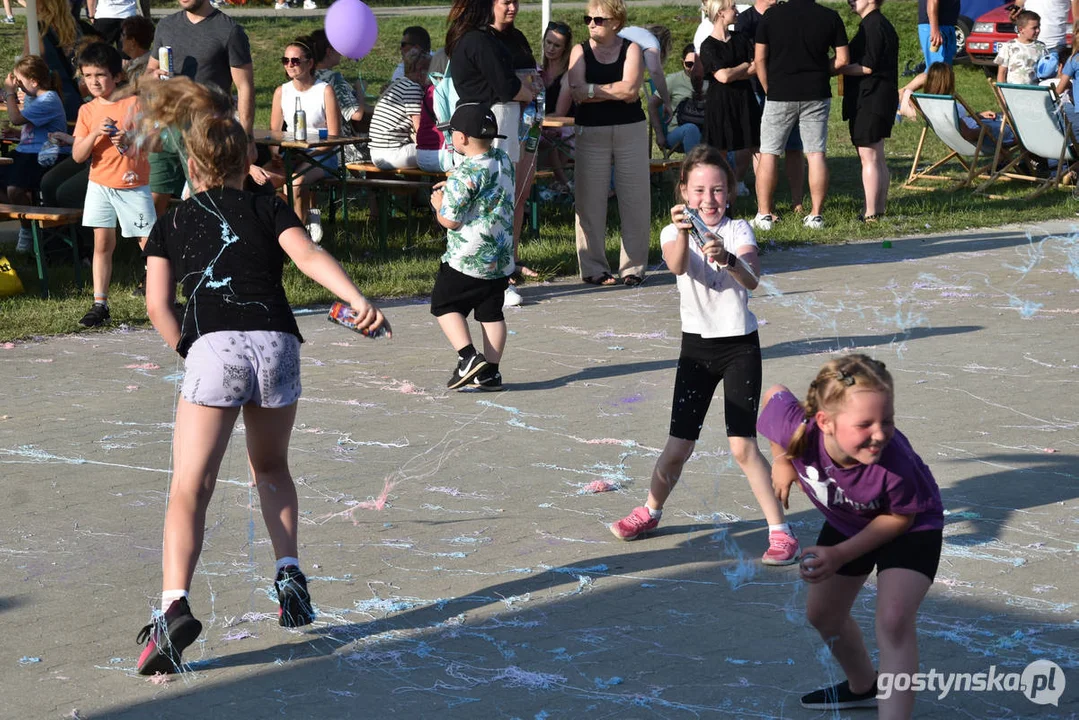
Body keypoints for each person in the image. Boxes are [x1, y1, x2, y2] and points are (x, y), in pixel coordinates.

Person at [134, 76, 388, 675]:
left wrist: (187, 350)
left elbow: (157, 305)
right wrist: (356, 299)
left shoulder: (172, 221)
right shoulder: (267, 204)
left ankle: (173, 607)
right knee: (271, 467)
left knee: (189, 487)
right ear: (248, 156)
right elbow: (307, 256)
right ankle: (289, 572)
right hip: (277, 342)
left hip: (215, 349)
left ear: (191, 163)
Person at [609, 146, 799, 566]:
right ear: (683, 193)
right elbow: (676, 266)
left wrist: (726, 257)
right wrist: (683, 232)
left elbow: (751, 280)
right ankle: (651, 510)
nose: (708, 199)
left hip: (738, 348)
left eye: (716, 190)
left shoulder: (739, 230)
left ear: (729, 194)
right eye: (698, 191)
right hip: (695, 349)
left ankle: (781, 532)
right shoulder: (670, 232)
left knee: (742, 447)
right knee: (678, 446)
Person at [757, 354, 943, 715]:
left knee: (893, 619)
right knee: (823, 614)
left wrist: (840, 554)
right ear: (825, 421)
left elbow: (899, 518)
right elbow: (774, 394)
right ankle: (863, 686)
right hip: (849, 520)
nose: (879, 434)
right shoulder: (801, 429)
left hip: (911, 526)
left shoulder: (895, 462)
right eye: (865, 424)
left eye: (886, 420)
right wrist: (781, 459)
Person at [445, 0, 536, 305]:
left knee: (493, 201)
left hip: (491, 120)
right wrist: (528, 88)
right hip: (492, 122)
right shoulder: (480, 41)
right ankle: (498, 279)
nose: (510, 7)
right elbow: (508, 86)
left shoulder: (472, 39)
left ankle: (492, 275)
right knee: (494, 200)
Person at [146, 0, 261, 218]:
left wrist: (246, 138)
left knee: (206, 197)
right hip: (165, 125)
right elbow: (150, 71)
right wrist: (152, 76)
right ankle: (157, 250)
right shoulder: (166, 25)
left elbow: (245, 86)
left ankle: (214, 247)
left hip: (206, 129)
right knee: (153, 199)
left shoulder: (229, 30)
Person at [429, 103, 515, 392]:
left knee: (444, 304)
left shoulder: (463, 173)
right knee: (491, 313)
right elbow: (483, 180)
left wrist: (439, 205)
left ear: (462, 138)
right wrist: (455, 183)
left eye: (452, 133)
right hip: (499, 257)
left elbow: (450, 222)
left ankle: (467, 357)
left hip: (467, 257)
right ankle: (491, 372)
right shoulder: (503, 159)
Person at [71, 42, 155, 328]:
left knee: (149, 243)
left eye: (100, 75)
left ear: (117, 76)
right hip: (99, 184)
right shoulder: (87, 111)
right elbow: (78, 155)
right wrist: (96, 132)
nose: (94, 81)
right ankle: (100, 303)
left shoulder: (134, 104)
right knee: (102, 243)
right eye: (88, 75)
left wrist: (130, 141)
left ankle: (163, 296)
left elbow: (153, 142)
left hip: (132, 185)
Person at [568, 0, 650, 287]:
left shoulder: (632, 49)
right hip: (590, 132)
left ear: (616, 22)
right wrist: (607, 91)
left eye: (598, 19)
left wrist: (593, 90)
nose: (591, 23)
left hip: (631, 130)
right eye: (588, 18)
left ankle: (633, 268)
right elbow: (576, 91)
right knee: (589, 202)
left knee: (635, 200)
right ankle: (593, 268)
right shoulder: (579, 50)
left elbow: (631, 90)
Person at [751, 0, 848, 230]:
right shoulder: (830, 16)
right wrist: (820, 71)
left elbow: (759, 59)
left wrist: (767, 87)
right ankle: (815, 215)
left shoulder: (770, 17)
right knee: (815, 153)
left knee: (769, 152)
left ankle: (764, 214)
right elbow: (843, 59)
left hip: (779, 92)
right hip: (816, 92)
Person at [268, 36, 341, 240]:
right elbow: (275, 132)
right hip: (291, 153)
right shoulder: (281, 92)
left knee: (297, 183)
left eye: (295, 61)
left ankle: (299, 240)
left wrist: (309, 153)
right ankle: (282, 229)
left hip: (321, 155)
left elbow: (335, 136)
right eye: (286, 60)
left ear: (310, 63)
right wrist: (275, 153)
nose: (290, 65)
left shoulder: (324, 90)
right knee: (261, 181)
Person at [735, 0, 805, 208]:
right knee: (761, 148)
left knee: (794, 146)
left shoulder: (786, 15)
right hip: (757, 90)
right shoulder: (746, 21)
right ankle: (765, 204)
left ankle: (797, 201)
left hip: (789, 90)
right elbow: (748, 58)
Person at [0, 56, 71, 254]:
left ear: (34, 81)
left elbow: (15, 118)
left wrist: (10, 93)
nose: (19, 86)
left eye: (20, 82)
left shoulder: (49, 98)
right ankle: (26, 220)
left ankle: (28, 229)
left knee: (15, 189)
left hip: (47, 154)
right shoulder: (35, 98)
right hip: (27, 151)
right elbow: (29, 126)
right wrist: (17, 134)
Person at [839, 0, 898, 223]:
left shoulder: (873, 26)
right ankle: (878, 209)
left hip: (872, 97)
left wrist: (836, 68)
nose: (851, 1)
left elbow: (868, 65)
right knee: (877, 156)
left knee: (869, 157)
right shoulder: (877, 23)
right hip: (879, 96)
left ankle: (871, 212)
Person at [700, 0, 760, 192]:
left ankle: (761, 196)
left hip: (744, 98)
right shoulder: (708, 46)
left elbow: (756, 66)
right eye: (732, 7)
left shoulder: (741, 38)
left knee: (755, 145)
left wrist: (737, 70)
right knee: (720, 149)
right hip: (721, 103)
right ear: (720, 13)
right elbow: (723, 77)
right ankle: (722, 191)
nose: (736, 11)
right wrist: (743, 66)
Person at [310, 29, 366, 164]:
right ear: (329, 51)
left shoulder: (307, 77)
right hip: (340, 148)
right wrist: (360, 90)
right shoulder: (333, 78)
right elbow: (357, 114)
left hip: (312, 143)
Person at [897, 0, 960, 119]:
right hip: (936, 26)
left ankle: (903, 93)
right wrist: (934, 29)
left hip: (946, 25)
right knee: (937, 71)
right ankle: (937, 110)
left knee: (942, 71)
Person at [368, 48, 428, 170]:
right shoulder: (412, 88)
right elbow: (420, 129)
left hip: (378, 152)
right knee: (435, 153)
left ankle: (410, 189)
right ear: (421, 71)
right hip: (391, 153)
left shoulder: (398, 84)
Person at [648, 43, 705, 156]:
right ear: (682, 63)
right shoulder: (673, 80)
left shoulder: (711, 81)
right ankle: (694, 169)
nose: (693, 68)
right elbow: (652, 105)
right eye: (689, 64)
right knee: (691, 129)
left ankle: (730, 172)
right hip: (678, 131)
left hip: (706, 130)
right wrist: (659, 134)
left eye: (698, 64)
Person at [539, 20, 575, 191]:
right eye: (548, 42)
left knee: (552, 138)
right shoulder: (539, 70)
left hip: (567, 127)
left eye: (557, 45)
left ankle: (562, 183)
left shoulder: (568, 75)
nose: (551, 48)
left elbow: (560, 113)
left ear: (565, 49)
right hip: (544, 125)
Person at [995, 10, 1046, 84]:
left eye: (1038, 27)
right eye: (1034, 28)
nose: (1038, 30)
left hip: (1034, 91)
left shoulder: (1041, 47)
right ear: (1021, 29)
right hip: (1013, 91)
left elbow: (1045, 72)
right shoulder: (1009, 46)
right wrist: (1001, 93)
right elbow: (1002, 73)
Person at [120, 15, 155, 85]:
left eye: (123, 35)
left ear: (132, 41)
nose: (121, 39)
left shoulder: (145, 67)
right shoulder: (131, 64)